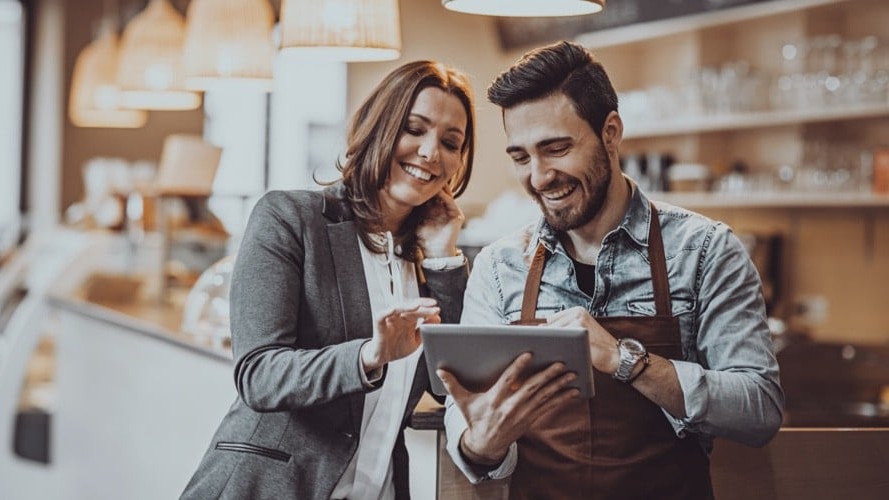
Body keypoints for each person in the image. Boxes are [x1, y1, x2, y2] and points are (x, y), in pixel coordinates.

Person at [438, 41, 784, 499]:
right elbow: (468, 423)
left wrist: (625, 360)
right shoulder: (500, 267)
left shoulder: (705, 251)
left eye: (556, 148)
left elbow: (759, 410)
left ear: (611, 132)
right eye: (521, 157)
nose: (539, 177)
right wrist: (479, 445)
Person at [180, 60, 476, 500]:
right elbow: (259, 374)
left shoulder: (433, 257)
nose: (431, 152)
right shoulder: (289, 218)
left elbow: (447, 380)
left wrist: (443, 258)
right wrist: (368, 356)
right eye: (414, 129)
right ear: (379, 127)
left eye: (450, 142)